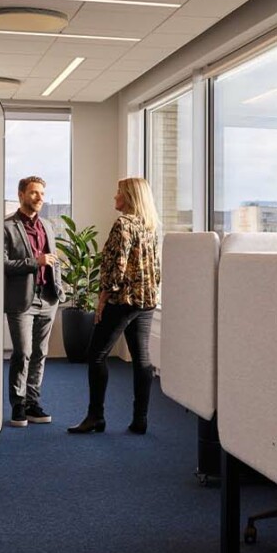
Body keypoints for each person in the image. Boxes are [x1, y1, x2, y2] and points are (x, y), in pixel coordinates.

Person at [68, 177, 161, 435]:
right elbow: (155, 266)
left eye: (118, 192)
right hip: (147, 300)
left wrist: (103, 297)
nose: (114, 197)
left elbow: (116, 266)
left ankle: (95, 417)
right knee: (141, 357)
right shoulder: (150, 225)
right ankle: (140, 419)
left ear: (129, 197)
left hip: (122, 300)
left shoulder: (123, 224)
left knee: (96, 354)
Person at [3, 176, 62, 427]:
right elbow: (1, 264)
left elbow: (53, 258)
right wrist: (34, 262)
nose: (39, 198)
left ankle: (32, 402)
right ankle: (18, 404)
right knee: (23, 352)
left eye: (41, 194)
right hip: (21, 300)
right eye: (34, 193)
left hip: (48, 297)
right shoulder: (6, 227)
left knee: (40, 353)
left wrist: (60, 288)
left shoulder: (47, 225)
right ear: (21, 195)